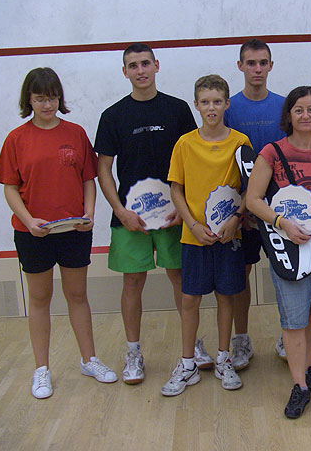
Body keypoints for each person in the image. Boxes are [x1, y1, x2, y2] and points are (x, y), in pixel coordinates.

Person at [0, 67, 117, 399]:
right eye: (40, 98)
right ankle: (41, 370)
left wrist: (89, 213)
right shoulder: (16, 139)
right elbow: (9, 188)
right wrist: (29, 219)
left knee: (77, 296)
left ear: (59, 98)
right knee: (40, 299)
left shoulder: (76, 133)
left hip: (74, 230)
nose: (47, 105)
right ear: (28, 100)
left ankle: (89, 360)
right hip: (33, 233)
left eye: (52, 98)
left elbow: (88, 180)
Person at [94, 43, 203, 386]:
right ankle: (133, 352)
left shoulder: (177, 109)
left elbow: (191, 160)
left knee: (180, 280)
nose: (140, 70)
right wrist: (120, 210)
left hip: (173, 215)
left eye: (145, 63)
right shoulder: (112, 116)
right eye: (132, 65)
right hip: (131, 218)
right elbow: (103, 170)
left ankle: (192, 346)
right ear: (124, 72)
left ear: (156, 65)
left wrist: (183, 209)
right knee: (132, 283)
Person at [247, 86, 311, 419]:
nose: (306, 115)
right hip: (288, 244)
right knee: (293, 316)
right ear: (288, 115)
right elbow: (253, 200)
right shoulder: (272, 152)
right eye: (299, 109)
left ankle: (307, 369)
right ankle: (299, 385)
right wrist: (283, 224)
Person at [161, 75, 250, 395]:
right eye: (205, 102)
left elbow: (248, 189)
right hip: (193, 237)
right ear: (196, 105)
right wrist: (193, 225)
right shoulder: (185, 143)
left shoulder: (241, 142)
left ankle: (224, 358)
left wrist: (236, 221)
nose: (211, 107)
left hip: (229, 236)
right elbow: (176, 189)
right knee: (189, 298)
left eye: (217, 101)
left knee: (227, 296)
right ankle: (187, 363)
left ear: (227, 104)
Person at [224, 38, 285, 369]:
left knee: (286, 273)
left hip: (278, 210)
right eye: (251, 63)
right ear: (240, 66)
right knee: (240, 275)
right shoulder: (229, 108)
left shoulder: (285, 105)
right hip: (241, 213)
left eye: (263, 62)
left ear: (271, 66)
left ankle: (287, 334)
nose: (257, 69)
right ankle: (242, 339)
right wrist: (240, 209)